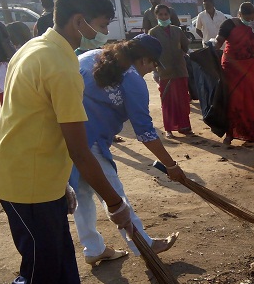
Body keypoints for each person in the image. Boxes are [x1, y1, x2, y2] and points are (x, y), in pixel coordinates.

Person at [0, 0, 132, 284]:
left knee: (62, 267)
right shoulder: (62, 66)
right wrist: (116, 204)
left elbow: (28, 122)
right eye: (100, 25)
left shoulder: (34, 47)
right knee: (40, 275)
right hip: (26, 186)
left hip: (40, 181)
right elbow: (80, 151)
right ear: (78, 20)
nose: (103, 33)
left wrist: (59, 184)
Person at [73, 34, 184, 265]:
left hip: (66, 135)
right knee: (113, 192)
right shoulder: (132, 78)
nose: (152, 69)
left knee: (82, 193)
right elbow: (145, 131)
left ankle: (93, 248)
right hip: (88, 139)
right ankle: (143, 243)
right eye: (153, 64)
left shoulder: (94, 55)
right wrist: (171, 165)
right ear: (144, 59)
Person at [215, 2, 254, 145]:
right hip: (231, 69)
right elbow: (218, 43)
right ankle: (230, 133)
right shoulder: (229, 25)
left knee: (250, 101)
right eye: (246, 17)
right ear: (239, 15)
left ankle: (251, 133)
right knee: (232, 101)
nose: (249, 20)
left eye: (251, 17)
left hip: (249, 69)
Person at [149, 4, 192, 138]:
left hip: (180, 69)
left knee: (183, 100)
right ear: (156, 16)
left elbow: (185, 46)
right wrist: (155, 70)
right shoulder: (153, 32)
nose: (163, 17)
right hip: (164, 71)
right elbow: (151, 53)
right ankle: (169, 128)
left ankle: (185, 127)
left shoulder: (177, 30)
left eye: (166, 14)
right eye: (161, 15)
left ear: (170, 16)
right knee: (167, 101)